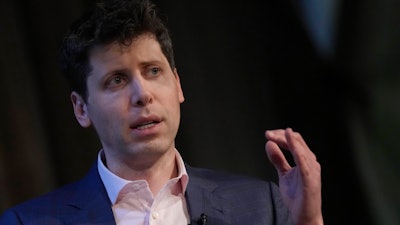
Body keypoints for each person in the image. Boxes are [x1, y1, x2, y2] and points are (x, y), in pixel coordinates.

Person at [0, 0, 323, 224]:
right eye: (116, 80)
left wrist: (308, 222)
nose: (143, 94)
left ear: (178, 85)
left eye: (153, 71)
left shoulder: (261, 205)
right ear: (81, 108)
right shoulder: (28, 222)